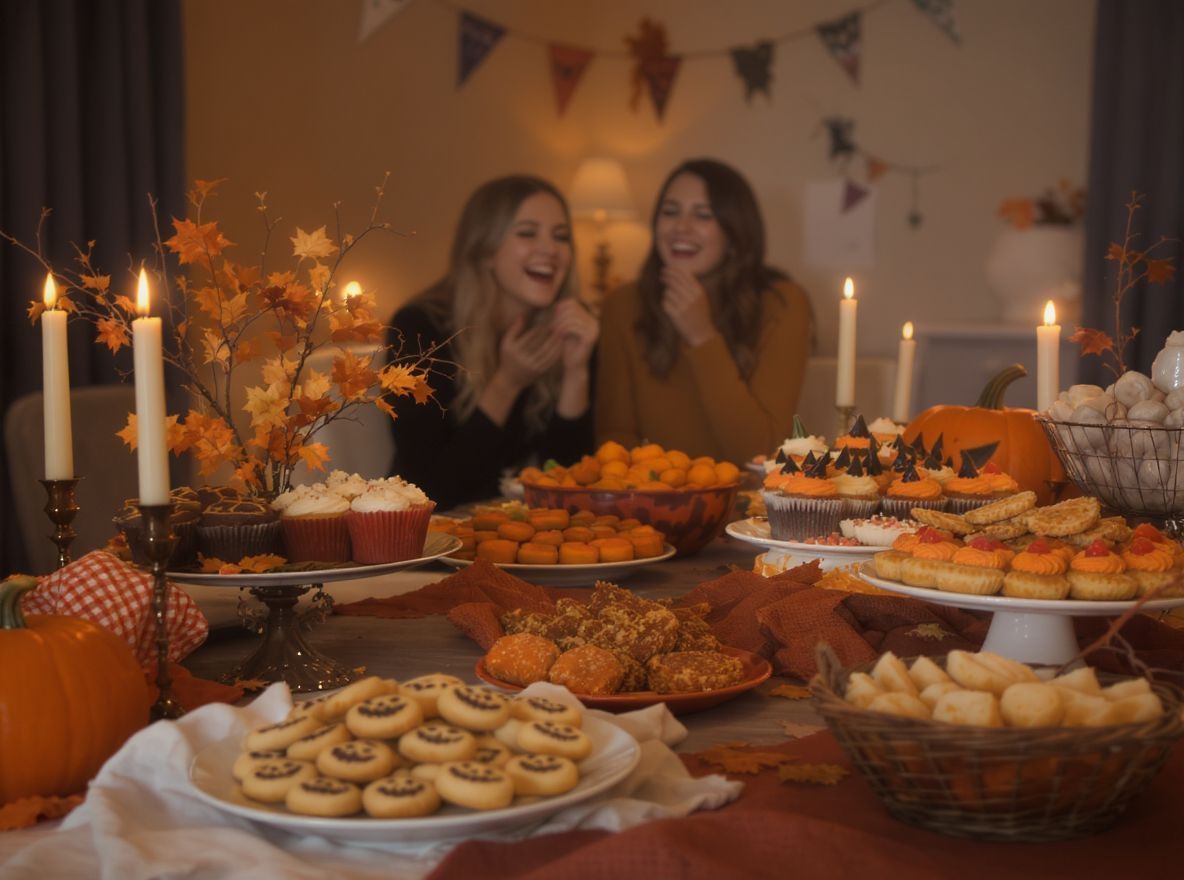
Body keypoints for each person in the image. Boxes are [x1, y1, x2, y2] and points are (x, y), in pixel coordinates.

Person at [388, 175, 598, 509]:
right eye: (527, 233)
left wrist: (576, 372)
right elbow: (429, 491)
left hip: (526, 537)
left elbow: (573, 485)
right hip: (432, 540)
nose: (551, 249)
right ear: (484, 250)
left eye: (561, 237)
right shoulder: (420, 329)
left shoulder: (570, 328)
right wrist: (506, 384)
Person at [595, 158, 813, 464]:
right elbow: (615, 437)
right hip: (649, 500)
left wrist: (702, 335)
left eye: (703, 215)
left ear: (735, 234)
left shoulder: (782, 303)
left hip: (746, 505)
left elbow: (760, 452)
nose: (681, 228)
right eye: (670, 212)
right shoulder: (622, 303)